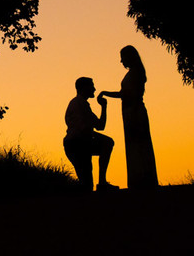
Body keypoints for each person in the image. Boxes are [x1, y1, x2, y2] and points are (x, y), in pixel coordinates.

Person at [99, 44, 159, 188]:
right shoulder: (135, 72)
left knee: (138, 145)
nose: (121, 61)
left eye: (122, 58)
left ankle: (142, 180)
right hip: (130, 112)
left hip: (134, 112)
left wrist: (105, 93)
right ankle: (140, 179)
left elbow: (126, 94)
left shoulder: (135, 73)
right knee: (135, 145)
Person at [63, 77, 118, 191]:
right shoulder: (78, 103)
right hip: (76, 144)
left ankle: (101, 183)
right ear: (83, 88)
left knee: (86, 185)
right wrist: (104, 138)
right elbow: (83, 130)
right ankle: (101, 183)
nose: (94, 89)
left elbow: (100, 126)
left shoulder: (84, 105)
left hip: (81, 144)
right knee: (107, 143)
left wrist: (104, 107)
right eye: (91, 86)